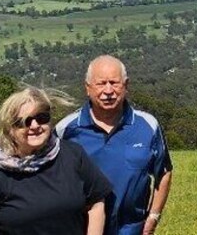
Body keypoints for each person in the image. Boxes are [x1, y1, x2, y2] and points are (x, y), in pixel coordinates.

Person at [0, 86, 112, 235]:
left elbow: (96, 203)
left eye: (41, 118)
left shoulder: (72, 155)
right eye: (24, 122)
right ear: (10, 129)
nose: (35, 126)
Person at [57, 55, 173, 235]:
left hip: (132, 229)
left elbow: (164, 172)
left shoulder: (148, 126)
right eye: (101, 83)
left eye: (114, 83)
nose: (108, 90)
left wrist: (153, 216)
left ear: (126, 86)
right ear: (87, 88)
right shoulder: (66, 129)